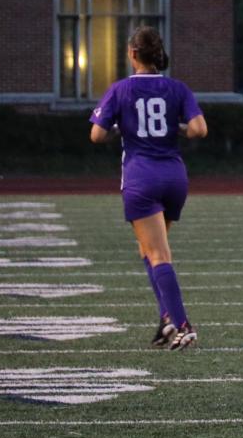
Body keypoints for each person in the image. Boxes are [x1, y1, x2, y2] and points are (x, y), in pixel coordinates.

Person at [88, 26, 207, 350]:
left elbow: (97, 135)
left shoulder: (121, 89)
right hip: (174, 176)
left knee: (157, 253)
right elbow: (198, 130)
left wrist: (119, 129)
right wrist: (176, 128)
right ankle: (166, 318)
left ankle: (182, 324)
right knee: (149, 250)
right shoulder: (177, 88)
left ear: (132, 54)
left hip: (141, 177)